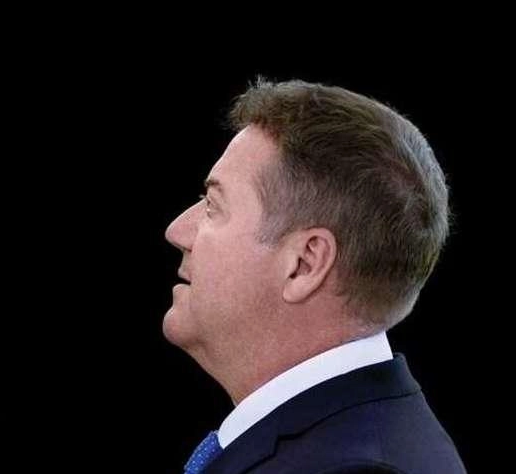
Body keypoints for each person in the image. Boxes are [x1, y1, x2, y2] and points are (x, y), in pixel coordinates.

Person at [164, 78, 465, 474]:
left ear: (304, 264)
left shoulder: (353, 467)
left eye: (213, 206)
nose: (177, 230)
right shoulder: (349, 441)